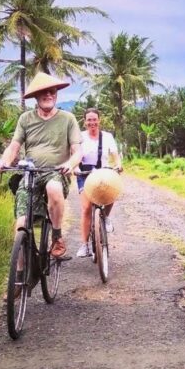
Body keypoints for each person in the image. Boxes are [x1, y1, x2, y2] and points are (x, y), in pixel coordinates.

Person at [0, 73, 83, 260]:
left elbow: (78, 151)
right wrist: (4, 161)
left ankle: (57, 237)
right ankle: (19, 275)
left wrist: (69, 164)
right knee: (21, 224)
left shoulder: (67, 119)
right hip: (30, 174)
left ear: (56, 95)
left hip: (56, 173)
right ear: (36, 97)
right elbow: (14, 146)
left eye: (52, 91)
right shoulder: (25, 119)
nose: (48, 95)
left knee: (53, 188)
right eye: (43, 92)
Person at [74, 108, 123, 259]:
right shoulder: (79, 137)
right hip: (85, 174)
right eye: (89, 120)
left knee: (112, 192)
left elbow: (115, 155)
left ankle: (106, 217)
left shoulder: (107, 137)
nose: (92, 122)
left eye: (94, 119)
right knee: (87, 207)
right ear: (84, 121)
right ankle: (85, 245)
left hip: (103, 173)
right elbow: (74, 155)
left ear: (99, 120)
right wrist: (75, 167)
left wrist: (118, 165)